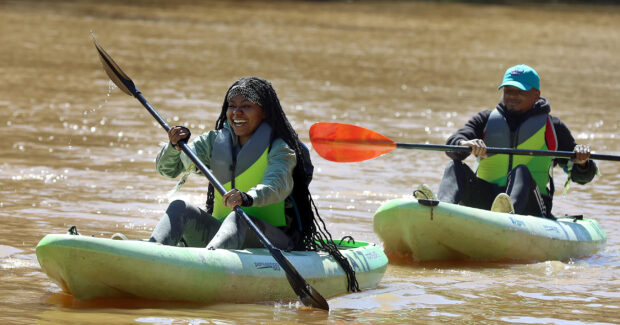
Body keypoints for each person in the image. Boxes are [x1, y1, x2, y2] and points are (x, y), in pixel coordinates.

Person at [150, 76, 359, 291]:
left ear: (264, 112)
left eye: (246, 106)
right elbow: (168, 169)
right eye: (232, 106)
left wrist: (248, 197)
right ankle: (149, 256)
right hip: (223, 233)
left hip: (273, 237)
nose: (236, 113)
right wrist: (173, 147)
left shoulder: (281, 148)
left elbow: (277, 185)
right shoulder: (213, 142)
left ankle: (202, 270)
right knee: (179, 207)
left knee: (238, 219)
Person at [415, 64, 598, 219]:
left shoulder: (553, 126)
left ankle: (507, 219)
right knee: (454, 166)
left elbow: (581, 176)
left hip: (531, 207)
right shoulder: (485, 119)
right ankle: (440, 213)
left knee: (521, 172)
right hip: (486, 200)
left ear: (536, 95)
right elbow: (453, 143)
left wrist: (582, 162)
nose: (512, 96)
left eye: (520, 91)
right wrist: (464, 144)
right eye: (508, 91)